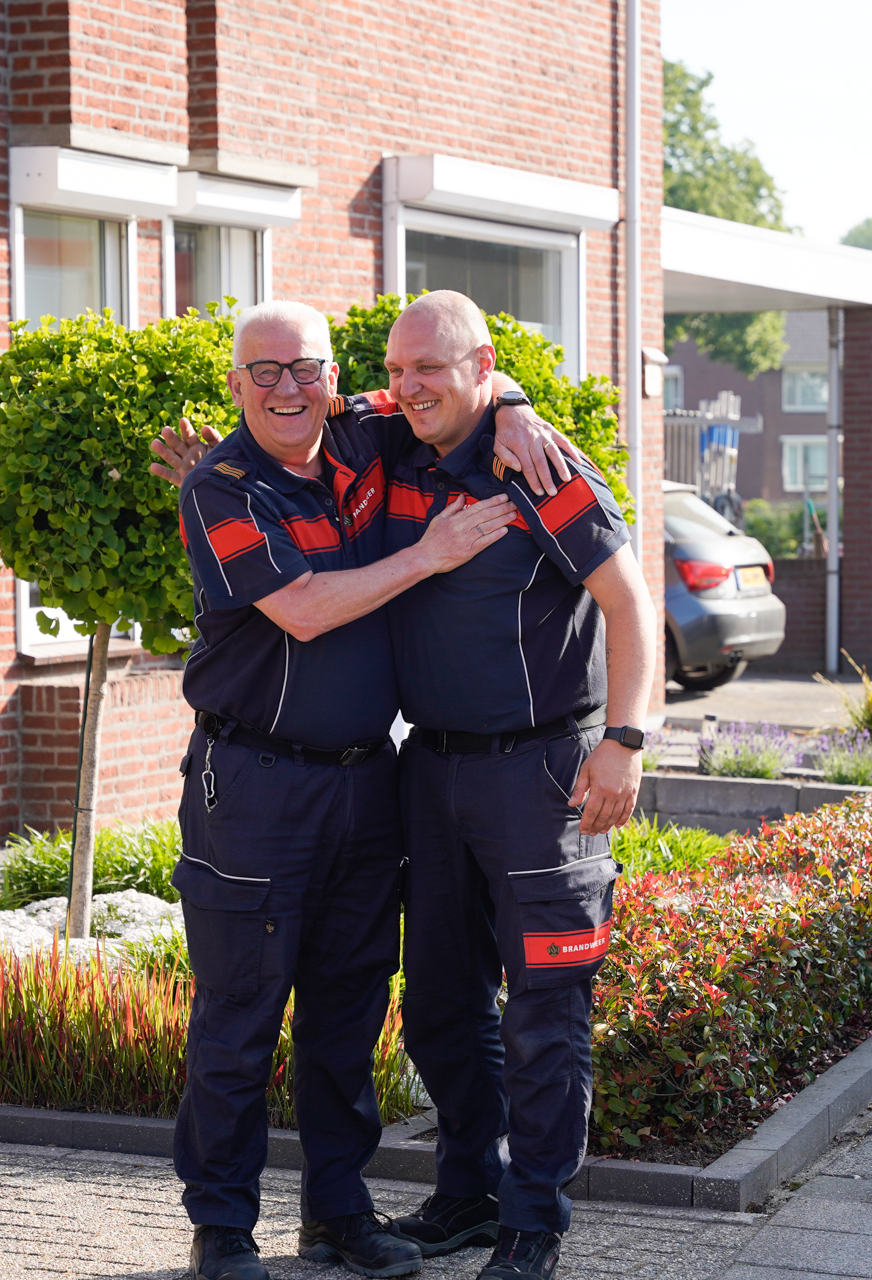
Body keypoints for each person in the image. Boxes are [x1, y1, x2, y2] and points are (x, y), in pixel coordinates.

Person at [168, 300, 574, 1280]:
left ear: (334, 377)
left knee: (348, 1013)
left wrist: (516, 403)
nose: (288, 389)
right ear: (236, 383)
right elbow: (305, 611)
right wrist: (432, 552)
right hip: (252, 786)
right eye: (264, 372)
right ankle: (222, 1227)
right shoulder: (220, 488)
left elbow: (456, 391)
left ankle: (338, 1213)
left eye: (305, 369)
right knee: (239, 1014)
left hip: (367, 783)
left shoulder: (362, 434)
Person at [379, 292, 658, 1280]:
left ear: (483, 360)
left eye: (431, 367)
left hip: (539, 776)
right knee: (438, 1004)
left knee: (544, 1010)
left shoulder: (539, 467)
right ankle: (468, 1192)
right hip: (431, 772)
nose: (409, 386)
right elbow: (306, 409)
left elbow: (630, 602)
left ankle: (534, 1217)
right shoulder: (394, 449)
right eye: (396, 369)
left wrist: (625, 740)